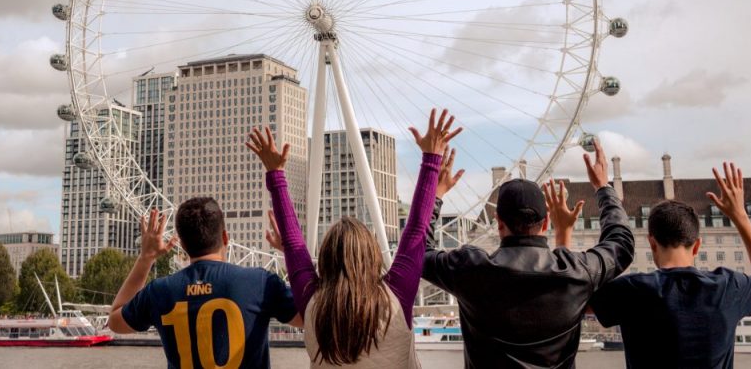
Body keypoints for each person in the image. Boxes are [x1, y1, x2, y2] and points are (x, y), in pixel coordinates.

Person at [248, 108, 461, 367]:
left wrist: (275, 173)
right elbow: (416, 230)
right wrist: (432, 159)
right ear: (371, 256)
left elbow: (294, 245)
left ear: (325, 260)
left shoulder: (312, 303)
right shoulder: (395, 296)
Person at [426, 138, 635, 368]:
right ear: (545, 224)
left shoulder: (470, 269)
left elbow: (418, 254)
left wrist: (435, 195)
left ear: (498, 223)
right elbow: (621, 244)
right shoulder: (577, 272)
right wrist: (604, 188)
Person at [588, 162, 751, 368]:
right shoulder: (728, 287)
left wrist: (564, 233)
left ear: (652, 243)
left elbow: (566, 301)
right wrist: (740, 216)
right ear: (697, 246)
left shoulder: (630, 290)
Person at [108, 199, 301, 369]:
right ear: (225, 237)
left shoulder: (160, 291)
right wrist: (293, 253)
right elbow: (309, 318)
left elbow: (115, 322)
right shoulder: (260, 282)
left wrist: (146, 257)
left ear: (182, 245)